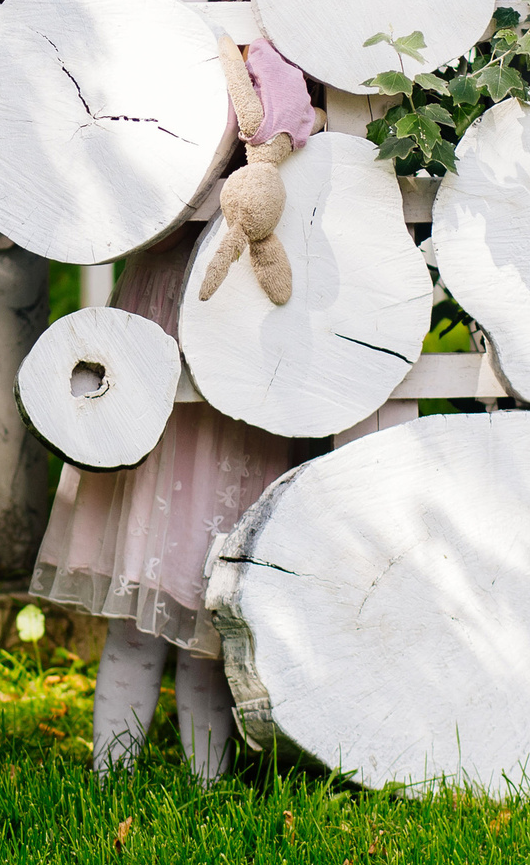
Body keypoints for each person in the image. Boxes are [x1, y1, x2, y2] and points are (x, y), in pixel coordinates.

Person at [25, 39, 318, 783]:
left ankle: (205, 787)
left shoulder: (264, 61)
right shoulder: (167, 54)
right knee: (138, 600)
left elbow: (290, 118)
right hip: (162, 305)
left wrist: (259, 148)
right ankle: (110, 777)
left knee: (207, 622)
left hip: (236, 314)